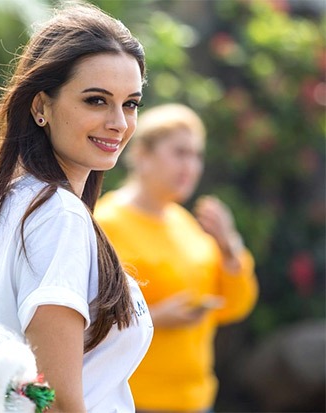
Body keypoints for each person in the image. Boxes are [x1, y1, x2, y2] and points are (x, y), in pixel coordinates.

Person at [0, 4, 153, 412]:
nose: (119, 122)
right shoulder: (57, 215)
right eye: (96, 101)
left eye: (130, 103)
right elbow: (57, 402)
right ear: (41, 106)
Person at [95, 103, 259, 412]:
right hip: (132, 399)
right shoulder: (107, 223)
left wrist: (229, 246)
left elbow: (235, 306)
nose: (192, 166)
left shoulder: (187, 225)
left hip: (195, 400)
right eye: (180, 153)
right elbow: (85, 322)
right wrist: (154, 319)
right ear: (142, 155)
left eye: (197, 155)